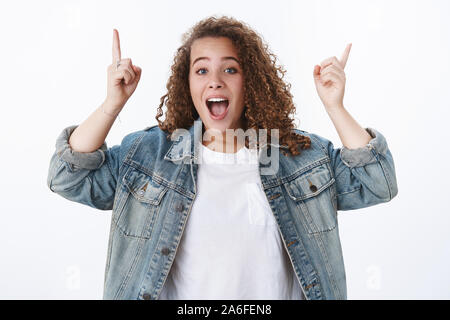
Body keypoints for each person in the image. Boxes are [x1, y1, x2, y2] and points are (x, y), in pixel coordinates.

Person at [47, 15, 398, 300]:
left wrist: (335, 107)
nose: (214, 81)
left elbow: (377, 183)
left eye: (230, 69)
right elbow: (68, 177)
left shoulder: (297, 156)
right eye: (201, 70)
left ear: (251, 81)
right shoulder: (150, 155)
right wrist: (112, 105)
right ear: (187, 84)